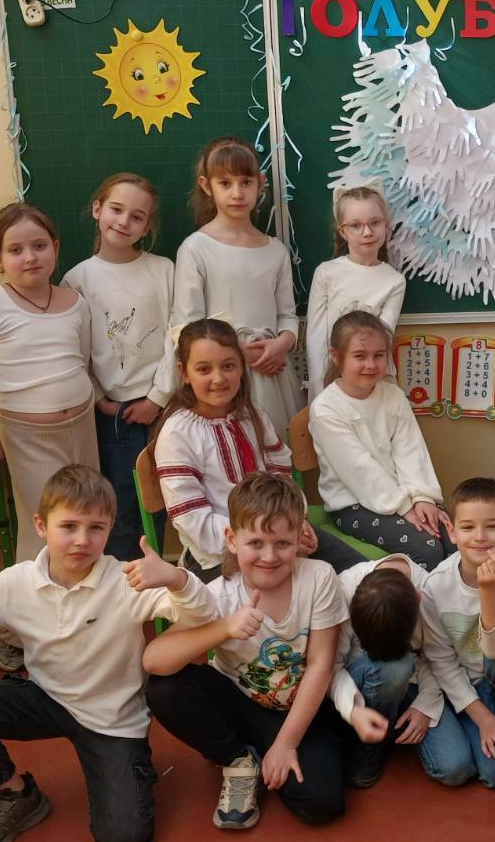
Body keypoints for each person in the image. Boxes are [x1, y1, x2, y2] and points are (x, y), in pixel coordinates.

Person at [0, 466, 218, 842]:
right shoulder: (17, 582)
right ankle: (16, 793)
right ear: (41, 526)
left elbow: (205, 614)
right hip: (46, 699)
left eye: (96, 528)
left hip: (111, 719)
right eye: (68, 526)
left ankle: (131, 768)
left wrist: (176, 578)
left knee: (123, 839)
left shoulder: (125, 580)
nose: (82, 540)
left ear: (109, 529)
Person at [143, 474, 349, 831]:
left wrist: (286, 744)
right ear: (232, 539)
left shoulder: (319, 577)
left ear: (299, 537)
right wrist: (223, 628)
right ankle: (238, 760)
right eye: (256, 542)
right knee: (165, 689)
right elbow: (154, 660)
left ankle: (272, 750)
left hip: (300, 707)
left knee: (322, 804)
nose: (269, 556)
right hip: (242, 703)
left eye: (282, 543)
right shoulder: (218, 595)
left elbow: (321, 663)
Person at [150, 319, 364, 577]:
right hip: (219, 555)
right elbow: (194, 522)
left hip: (280, 535)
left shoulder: (254, 418)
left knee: (368, 575)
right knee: (313, 587)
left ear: (241, 367)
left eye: (228, 366)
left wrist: (296, 521)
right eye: (204, 369)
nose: (218, 378)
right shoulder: (177, 434)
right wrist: (269, 541)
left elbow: (283, 482)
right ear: (184, 373)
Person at [0, 202, 95, 567]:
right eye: (15, 250)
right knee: (46, 522)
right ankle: (34, 598)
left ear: (55, 248)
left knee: (88, 513)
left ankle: (86, 594)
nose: (29, 257)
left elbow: (83, 360)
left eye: (39, 246)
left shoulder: (75, 303)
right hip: (27, 437)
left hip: (82, 428)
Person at [61, 173, 177, 561]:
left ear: (147, 226)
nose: (124, 222)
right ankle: (126, 583)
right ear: (97, 209)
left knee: (163, 503)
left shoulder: (164, 270)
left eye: (137, 216)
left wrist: (158, 398)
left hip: (164, 410)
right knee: (122, 508)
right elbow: (76, 351)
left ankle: (157, 580)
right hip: (114, 417)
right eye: (116, 209)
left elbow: (178, 338)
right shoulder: (77, 279)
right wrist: (99, 399)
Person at [172, 136, 301, 438]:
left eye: (246, 182)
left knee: (274, 447)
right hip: (221, 374)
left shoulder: (275, 251)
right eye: (225, 183)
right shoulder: (195, 248)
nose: (237, 193)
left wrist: (281, 344)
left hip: (270, 373)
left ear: (261, 183)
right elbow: (187, 325)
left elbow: (287, 315)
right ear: (207, 186)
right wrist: (235, 354)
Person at [310, 310, 452, 568]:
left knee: (454, 540)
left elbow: (410, 450)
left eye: (378, 355)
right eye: (360, 356)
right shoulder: (326, 409)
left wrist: (423, 498)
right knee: (427, 550)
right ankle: (416, 597)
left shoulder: (393, 395)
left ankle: (460, 596)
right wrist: (404, 508)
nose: (371, 365)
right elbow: (361, 470)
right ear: (336, 356)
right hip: (352, 505)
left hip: (404, 494)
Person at [420, 477, 495, 788]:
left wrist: (489, 589)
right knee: (459, 769)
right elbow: (440, 660)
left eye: (492, 526)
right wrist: (482, 718)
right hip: (461, 684)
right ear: (452, 531)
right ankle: (465, 727)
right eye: (468, 527)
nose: (480, 537)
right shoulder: (436, 585)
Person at [328, 554, 460, 788]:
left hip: (416, 679)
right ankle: (370, 743)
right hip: (360, 682)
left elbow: (436, 658)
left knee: (454, 768)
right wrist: (354, 711)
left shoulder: (432, 593)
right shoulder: (341, 594)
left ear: (419, 600)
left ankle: (389, 725)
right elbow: (330, 667)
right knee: (395, 667)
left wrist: (425, 706)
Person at [305, 186, 405, 400]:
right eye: (356, 225)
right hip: (331, 377)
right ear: (342, 231)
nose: (367, 232)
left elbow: (383, 337)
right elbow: (315, 336)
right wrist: (318, 387)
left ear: (386, 225)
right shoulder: (326, 272)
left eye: (375, 223)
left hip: (375, 376)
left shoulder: (395, 281)